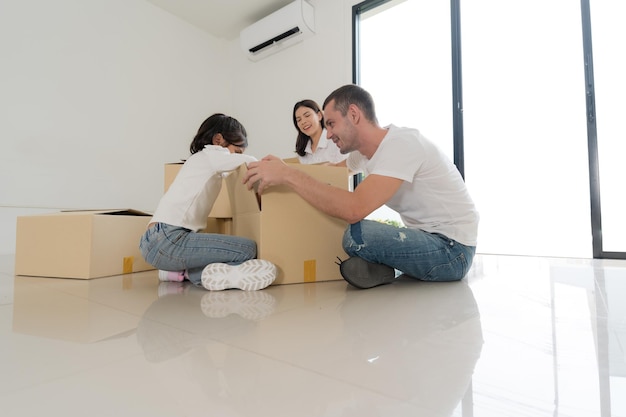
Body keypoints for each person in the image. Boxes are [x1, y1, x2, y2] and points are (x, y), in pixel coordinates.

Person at [243, 85, 479, 289]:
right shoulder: (363, 155)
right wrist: (283, 168)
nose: (329, 133)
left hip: (453, 251)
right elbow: (331, 171)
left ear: (354, 114)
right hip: (426, 238)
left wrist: (288, 174)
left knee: (358, 235)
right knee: (361, 232)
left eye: (332, 124)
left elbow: (354, 209)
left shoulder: (402, 144)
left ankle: (385, 268)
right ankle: (384, 270)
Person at [140, 113, 277, 291]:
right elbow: (248, 161)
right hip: (169, 239)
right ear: (218, 140)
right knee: (248, 249)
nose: (239, 156)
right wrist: (268, 165)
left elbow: (232, 171)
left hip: (154, 242)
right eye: (237, 151)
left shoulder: (200, 161)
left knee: (229, 251)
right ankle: (192, 273)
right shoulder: (211, 155)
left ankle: (177, 273)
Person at [292, 99, 348, 164]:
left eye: (307, 115)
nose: (303, 122)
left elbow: (348, 169)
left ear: (319, 116)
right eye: (299, 120)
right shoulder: (302, 150)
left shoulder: (336, 142)